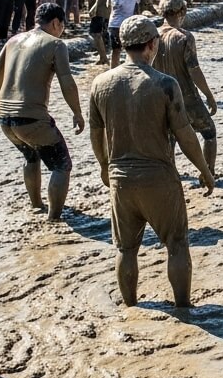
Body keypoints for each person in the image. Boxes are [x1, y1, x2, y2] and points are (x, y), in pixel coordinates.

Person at [89, 16, 215, 307]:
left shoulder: (100, 83)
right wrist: (205, 170)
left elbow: (97, 137)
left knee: (126, 248)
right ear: (151, 45)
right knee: (177, 243)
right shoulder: (165, 84)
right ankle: (183, 307)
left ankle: (131, 307)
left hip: (121, 179)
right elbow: (185, 135)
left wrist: (105, 168)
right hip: (159, 177)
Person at [0, 2, 84, 220]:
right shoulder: (56, 44)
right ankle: (54, 217)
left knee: (30, 155)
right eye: (62, 26)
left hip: (5, 117)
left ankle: (35, 204)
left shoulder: (14, 40)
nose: (62, 31)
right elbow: (67, 82)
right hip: (31, 117)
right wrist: (77, 112)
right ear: (55, 23)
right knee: (62, 164)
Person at [153, 0, 219, 173]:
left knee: (169, 137)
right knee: (209, 132)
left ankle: (171, 173)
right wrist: (209, 95)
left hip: (161, 95)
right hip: (185, 94)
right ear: (182, 12)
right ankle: (208, 172)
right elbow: (194, 70)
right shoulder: (184, 37)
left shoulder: (153, 36)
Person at [106, 0, 154, 68]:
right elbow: (137, 7)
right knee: (133, 51)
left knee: (115, 51)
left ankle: (113, 71)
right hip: (128, 24)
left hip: (113, 24)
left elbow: (109, 6)